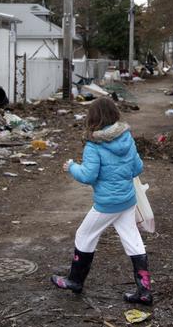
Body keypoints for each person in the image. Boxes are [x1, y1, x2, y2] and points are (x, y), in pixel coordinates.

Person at [51, 97, 152, 305]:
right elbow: (137, 168)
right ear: (114, 114)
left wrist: (71, 166)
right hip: (127, 200)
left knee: (84, 235)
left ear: (93, 118)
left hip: (107, 203)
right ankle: (144, 291)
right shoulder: (126, 137)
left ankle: (75, 281)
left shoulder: (94, 144)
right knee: (133, 241)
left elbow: (88, 176)